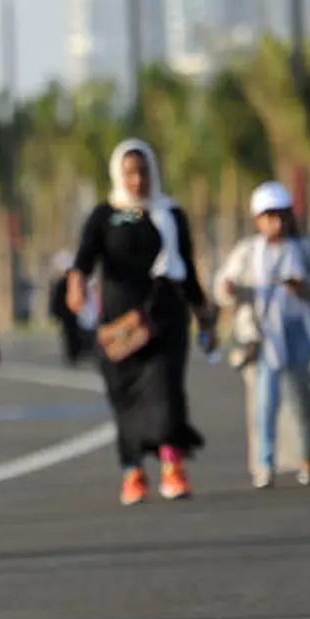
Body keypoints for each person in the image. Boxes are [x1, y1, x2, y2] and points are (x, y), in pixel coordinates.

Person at [67, 138, 211, 505]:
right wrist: (76, 285)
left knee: (166, 389)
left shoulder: (169, 213)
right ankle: (133, 472)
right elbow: (83, 259)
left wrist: (202, 310)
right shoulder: (106, 215)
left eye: (143, 170)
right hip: (119, 325)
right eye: (130, 172)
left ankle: (172, 466)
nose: (138, 180)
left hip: (165, 317)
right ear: (119, 174)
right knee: (124, 396)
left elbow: (187, 267)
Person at [214, 181, 310, 489]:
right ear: (258, 220)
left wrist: (303, 288)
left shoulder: (305, 249)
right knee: (265, 403)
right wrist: (232, 291)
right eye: (268, 217)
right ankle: (265, 464)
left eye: (280, 216)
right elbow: (224, 286)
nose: (276, 223)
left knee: (302, 400)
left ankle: (309, 458)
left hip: (299, 331)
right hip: (264, 335)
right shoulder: (249, 252)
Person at [49, 250, 89, 365]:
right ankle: (73, 354)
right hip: (67, 313)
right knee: (69, 334)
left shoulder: (67, 282)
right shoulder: (64, 282)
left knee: (72, 334)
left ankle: (75, 353)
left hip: (71, 312)